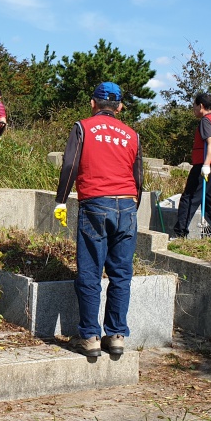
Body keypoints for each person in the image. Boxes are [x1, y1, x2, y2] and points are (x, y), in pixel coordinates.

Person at [53, 81, 143, 358]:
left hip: (96, 203)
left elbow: (70, 164)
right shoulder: (132, 134)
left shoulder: (83, 127)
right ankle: (116, 336)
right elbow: (138, 175)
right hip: (127, 204)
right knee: (121, 274)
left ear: (93, 103)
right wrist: (133, 204)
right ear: (119, 106)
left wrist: (61, 199)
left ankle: (90, 337)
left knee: (91, 272)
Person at [170, 92, 211, 239]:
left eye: (194, 106)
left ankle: (180, 233)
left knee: (189, 198)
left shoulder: (206, 121)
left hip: (205, 166)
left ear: (200, 106)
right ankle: (210, 235)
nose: (193, 109)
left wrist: (206, 164)